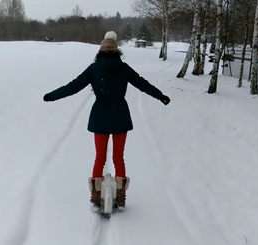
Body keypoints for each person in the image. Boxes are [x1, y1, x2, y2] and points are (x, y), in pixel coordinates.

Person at [43, 31, 170, 208]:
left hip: (100, 116)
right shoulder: (124, 69)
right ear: (117, 50)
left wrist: (51, 96)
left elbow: (73, 87)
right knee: (118, 157)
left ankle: (96, 196)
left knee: (100, 157)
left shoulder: (94, 69)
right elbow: (143, 84)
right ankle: (120, 195)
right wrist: (160, 96)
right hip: (120, 116)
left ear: (101, 51)